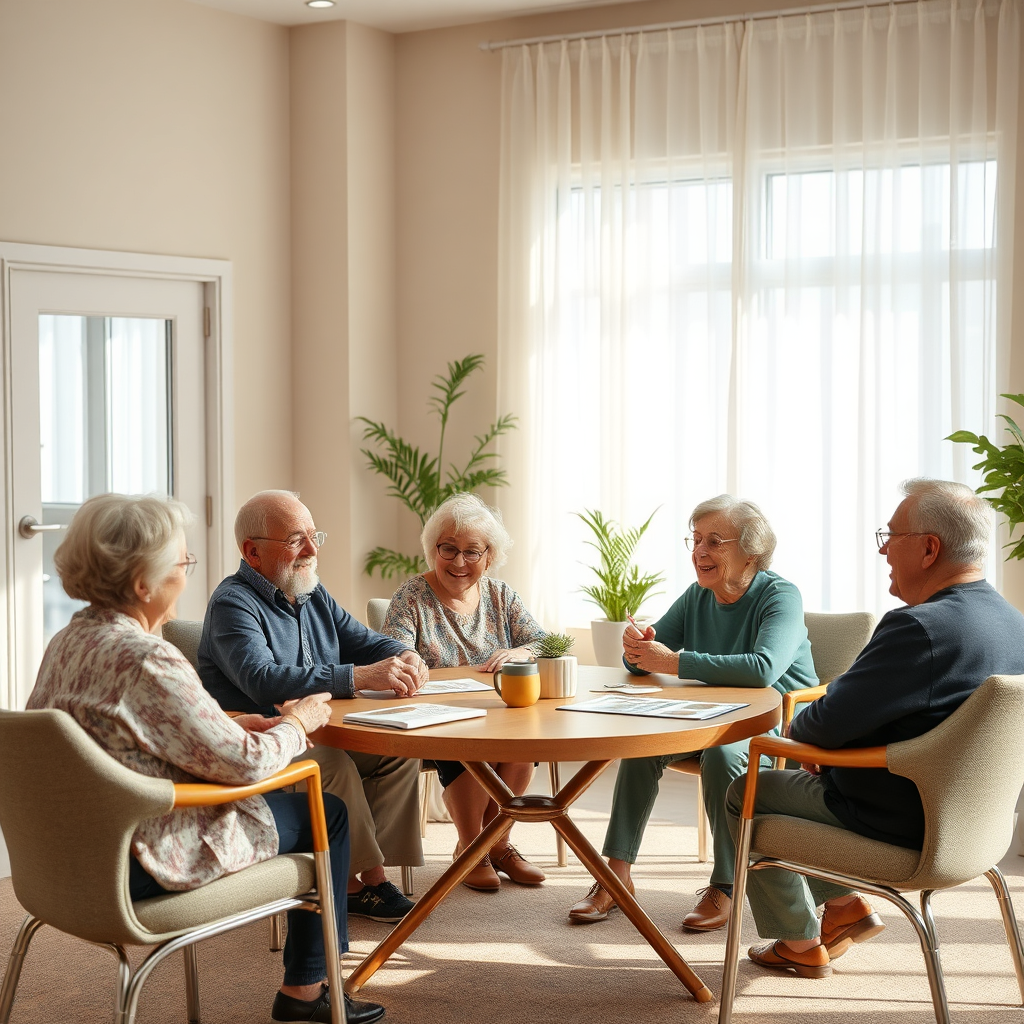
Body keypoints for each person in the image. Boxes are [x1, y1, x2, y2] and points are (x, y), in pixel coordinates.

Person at [26, 493, 384, 1024]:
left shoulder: (68, 642)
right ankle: (307, 993)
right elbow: (246, 766)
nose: (187, 574)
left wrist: (231, 721)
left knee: (313, 796)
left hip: (65, 862)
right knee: (324, 811)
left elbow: (113, 734)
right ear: (144, 582)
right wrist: (297, 722)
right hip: (140, 859)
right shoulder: (148, 658)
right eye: (183, 562)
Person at [724, 478, 1024, 979]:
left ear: (929, 548)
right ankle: (842, 909)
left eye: (891, 535)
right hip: (975, 829)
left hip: (896, 822)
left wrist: (823, 733)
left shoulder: (919, 627)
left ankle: (799, 942)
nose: (884, 550)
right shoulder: (1012, 622)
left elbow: (815, 725)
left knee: (745, 788)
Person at [567, 495, 818, 930]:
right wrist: (637, 648)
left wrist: (671, 661)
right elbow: (649, 655)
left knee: (723, 756)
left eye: (715, 541)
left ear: (751, 552)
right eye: (696, 539)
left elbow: (763, 670)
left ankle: (724, 884)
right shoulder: (698, 595)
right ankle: (615, 874)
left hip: (772, 723)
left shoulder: (781, 596)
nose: (699, 551)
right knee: (641, 742)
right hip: (710, 715)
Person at [198, 490, 429, 925]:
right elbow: (262, 679)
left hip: (318, 727)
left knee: (398, 748)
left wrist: (404, 653)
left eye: (313, 535)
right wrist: (358, 677)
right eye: (296, 539)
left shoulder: (310, 591)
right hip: (261, 741)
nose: (312, 549)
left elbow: (365, 640)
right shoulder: (233, 603)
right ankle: (359, 882)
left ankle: (367, 866)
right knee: (330, 762)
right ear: (252, 552)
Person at [382, 492, 548, 892]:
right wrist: (411, 661)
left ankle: (498, 844)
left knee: (524, 738)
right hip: (440, 716)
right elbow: (391, 650)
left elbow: (549, 643)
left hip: (500, 710)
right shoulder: (412, 596)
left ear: (489, 556)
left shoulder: (500, 595)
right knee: (472, 743)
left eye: (471, 552)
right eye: (448, 549)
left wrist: (521, 649)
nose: (458, 562)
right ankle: (475, 846)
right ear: (432, 550)